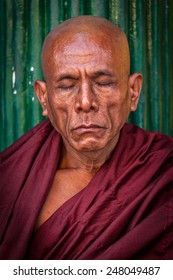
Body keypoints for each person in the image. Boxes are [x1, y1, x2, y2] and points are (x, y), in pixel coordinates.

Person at [0, 15, 173, 260]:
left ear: (133, 92)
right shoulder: (11, 180)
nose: (85, 102)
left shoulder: (163, 171)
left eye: (103, 82)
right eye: (67, 86)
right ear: (43, 98)